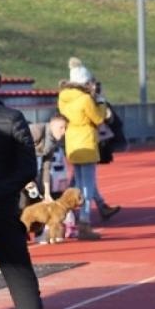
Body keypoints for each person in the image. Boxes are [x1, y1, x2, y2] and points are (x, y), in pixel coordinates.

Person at [0, 58, 79, 309]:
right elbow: (27, 167)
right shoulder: (12, 118)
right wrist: (0, 194)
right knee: (22, 283)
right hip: (0, 212)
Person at [56, 63, 110, 239]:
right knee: (86, 186)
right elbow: (98, 118)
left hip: (72, 142)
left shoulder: (64, 97)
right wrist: (100, 102)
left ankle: (70, 220)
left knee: (78, 183)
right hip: (86, 141)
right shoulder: (85, 99)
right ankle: (84, 223)